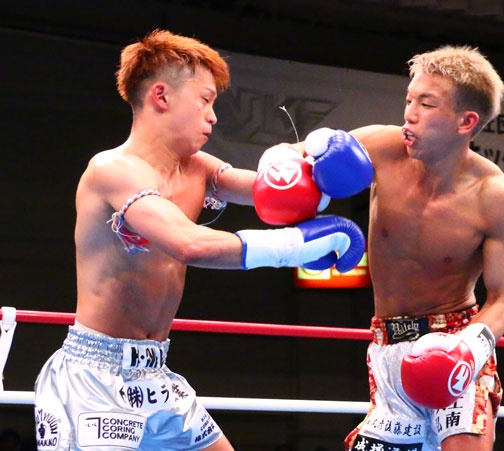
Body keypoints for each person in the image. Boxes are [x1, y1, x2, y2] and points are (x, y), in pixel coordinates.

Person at [33, 29, 366, 451]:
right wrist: (295, 247)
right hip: (93, 379)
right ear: (161, 96)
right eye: (205, 100)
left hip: (155, 376)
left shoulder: (196, 168)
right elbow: (188, 243)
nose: (213, 117)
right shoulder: (113, 169)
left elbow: (271, 191)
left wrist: (307, 159)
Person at [292, 46, 504, 450]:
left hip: (454, 338)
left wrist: (467, 350)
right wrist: (286, 160)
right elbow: (292, 161)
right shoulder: (381, 147)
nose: (410, 114)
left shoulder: (495, 197)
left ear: (466, 121)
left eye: (427, 104)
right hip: (387, 348)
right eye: (409, 100)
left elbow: (503, 299)